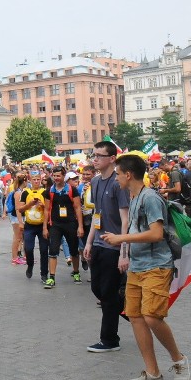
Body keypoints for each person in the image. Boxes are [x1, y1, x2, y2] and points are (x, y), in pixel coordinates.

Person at [102, 154, 190, 380]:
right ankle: (153, 373)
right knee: (136, 317)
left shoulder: (149, 197)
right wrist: (125, 254)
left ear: (128, 174)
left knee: (152, 316)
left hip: (157, 266)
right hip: (137, 267)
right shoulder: (133, 196)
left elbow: (156, 234)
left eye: (118, 174)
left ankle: (179, 360)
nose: (116, 178)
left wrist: (121, 238)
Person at [83, 141, 130, 352]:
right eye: (93, 155)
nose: (95, 159)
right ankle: (129, 310)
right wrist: (89, 241)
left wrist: (124, 250)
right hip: (99, 243)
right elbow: (97, 214)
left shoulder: (117, 183)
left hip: (115, 245)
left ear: (112, 159)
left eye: (99, 156)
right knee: (97, 288)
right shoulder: (94, 181)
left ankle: (110, 340)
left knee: (108, 294)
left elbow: (125, 218)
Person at [42, 166, 83, 288]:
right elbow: (46, 210)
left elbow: (77, 208)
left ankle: (76, 273)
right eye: (54, 176)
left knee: (73, 250)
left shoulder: (72, 189)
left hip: (70, 223)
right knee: (53, 250)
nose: (56, 178)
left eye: (58, 176)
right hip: (55, 224)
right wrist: (45, 227)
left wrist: (80, 226)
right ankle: (52, 278)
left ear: (63, 176)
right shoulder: (49, 191)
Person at [19, 172, 48, 282]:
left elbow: (49, 209)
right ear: (30, 181)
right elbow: (20, 209)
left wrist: (43, 205)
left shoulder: (45, 192)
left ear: (40, 180)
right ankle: (30, 264)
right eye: (34, 179)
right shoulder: (25, 193)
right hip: (29, 225)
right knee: (28, 248)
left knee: (44, 250)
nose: (36, 181)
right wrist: (29, 204)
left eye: (38, 179)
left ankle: (44, 273)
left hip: (42, 225)